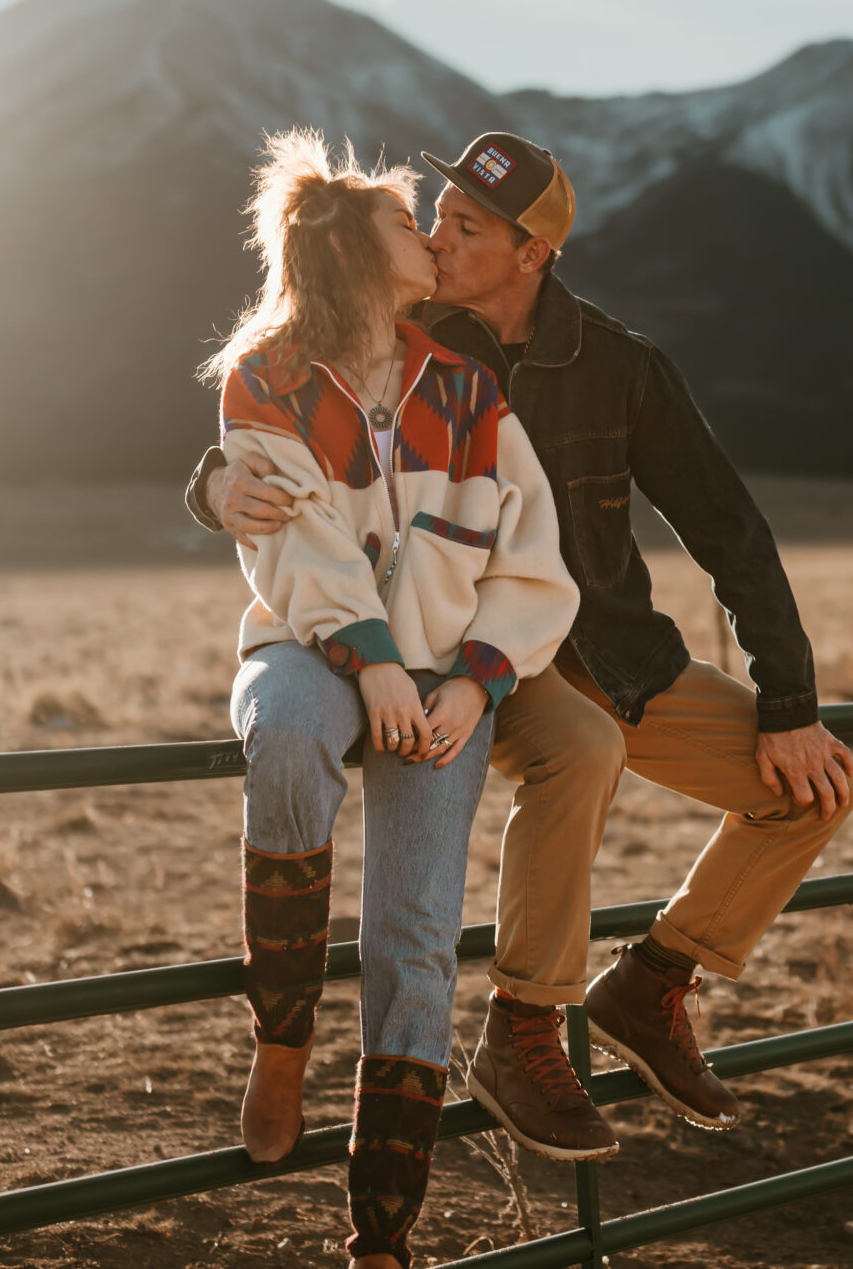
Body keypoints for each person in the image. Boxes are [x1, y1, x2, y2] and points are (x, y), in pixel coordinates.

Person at [187, 131, 853, 1163]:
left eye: (463, 225)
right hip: (479, 653)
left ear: (531, 251)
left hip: (612, 653)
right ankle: (524, 1029)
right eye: (434, 217)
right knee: (578, 749)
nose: (437, 235)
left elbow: (729, 529)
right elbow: (293, 394)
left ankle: (650, 984)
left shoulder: (620, 367)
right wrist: (211, 486)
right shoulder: (416, 324)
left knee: (814, 790)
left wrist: (791, 699)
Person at [206, 130, 577, 1269]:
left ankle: (380, 1232)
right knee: (283, 743)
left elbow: (531, 555)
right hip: (307, 651)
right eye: (407, 223)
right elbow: (300, 544)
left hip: (442, 684)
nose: (430, 237)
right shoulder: (263, 379)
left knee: (414, 939)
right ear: (350, 253)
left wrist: (475, 680)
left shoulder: (467, 391)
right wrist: (367, 656)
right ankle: (281, 1031)